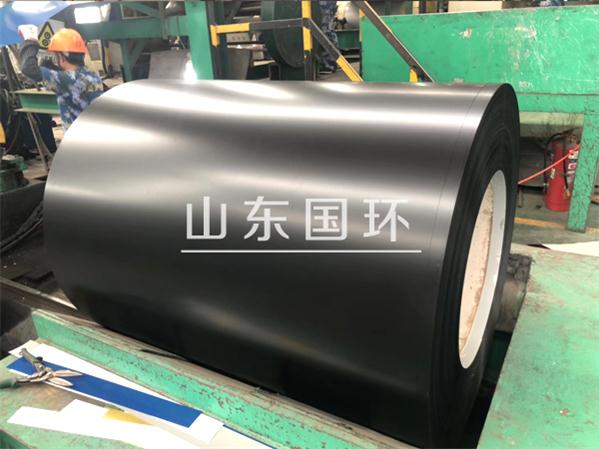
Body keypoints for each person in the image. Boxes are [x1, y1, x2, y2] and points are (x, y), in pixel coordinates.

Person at [18, 25, 103, 130]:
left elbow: (28, 68)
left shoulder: (66, 80)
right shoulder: (92, 75)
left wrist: (31, 40)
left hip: (78, 138)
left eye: (56, 56)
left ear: (61, 57)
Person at [319, 1, 339, 74]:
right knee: (329, 31)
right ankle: (333, 62)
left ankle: (329, 64)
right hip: (327, 6)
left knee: (326, 32)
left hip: (325, 6)